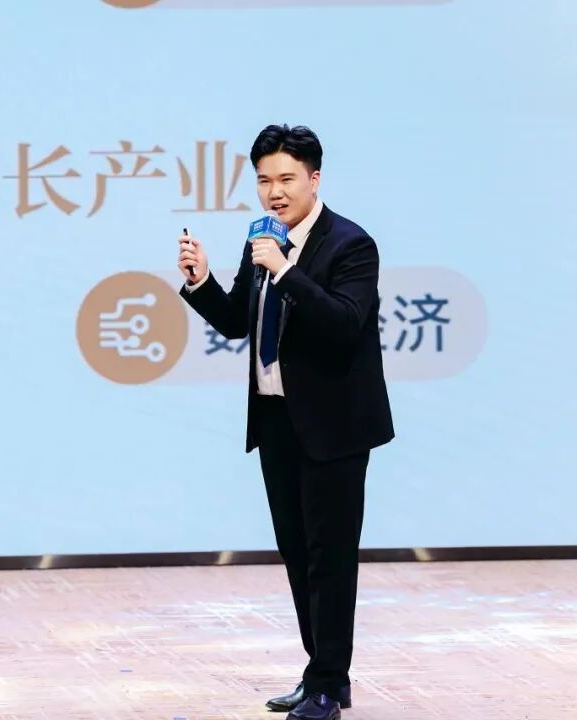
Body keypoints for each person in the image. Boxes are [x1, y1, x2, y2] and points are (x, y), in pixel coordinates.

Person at [177, 124, 395, 720]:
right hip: (276, 419)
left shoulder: (351, 245)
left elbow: (343, 324)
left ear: (314, 179)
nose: (274, 192)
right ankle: (320, 673)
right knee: (297, 553)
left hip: (335, 427)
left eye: (286, 179)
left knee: (331, 557)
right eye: (264, 180)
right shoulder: (262, 239)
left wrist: (285, 270)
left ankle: (328, 684)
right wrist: (200, 281)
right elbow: (238, 323)